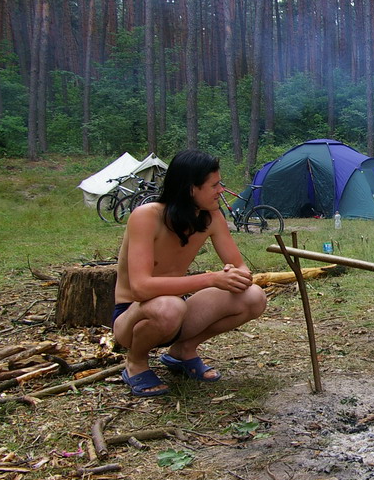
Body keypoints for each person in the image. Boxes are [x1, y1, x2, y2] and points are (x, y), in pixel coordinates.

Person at [112, 150, 267, 397]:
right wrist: (211, 279)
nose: (221, 191)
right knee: (169, 307)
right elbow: (141, 288)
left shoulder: (211, 217)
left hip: (177, 310)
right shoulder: (146, 216)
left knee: (253, 296)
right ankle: (136, 362)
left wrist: (235, 274)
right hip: (133, 316)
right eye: (214, 186)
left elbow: (241, 267)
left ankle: (183, 350)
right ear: (191, 189)